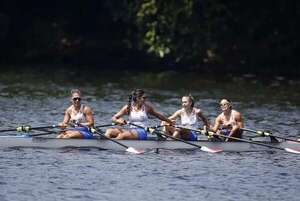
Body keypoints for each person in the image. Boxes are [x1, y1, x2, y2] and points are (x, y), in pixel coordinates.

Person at [105, 89, 173, 140]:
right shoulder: (128, 107)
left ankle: (112, 144)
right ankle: (103, 144)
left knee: (122, 135)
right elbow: (114, 118)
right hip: (131, 131)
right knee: (109, 131)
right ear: (137, 98)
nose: (145, 99)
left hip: (142, 132)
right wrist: (118, 121)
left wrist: (169, 121)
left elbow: (158, 115)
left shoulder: (147, 107)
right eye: (144, 98)